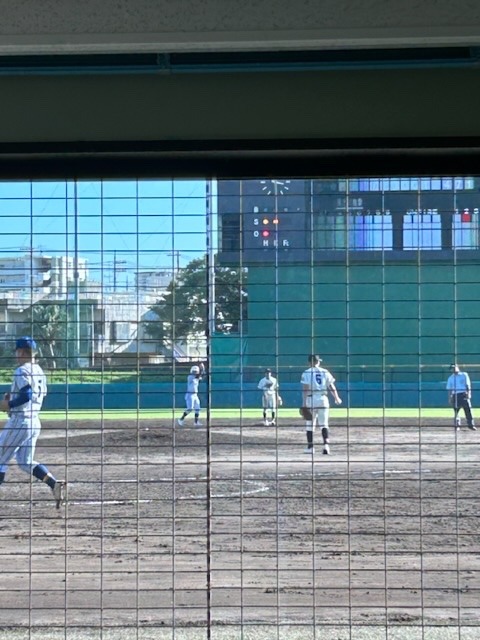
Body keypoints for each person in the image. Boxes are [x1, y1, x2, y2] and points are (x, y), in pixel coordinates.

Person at [0, 337, 65, 509]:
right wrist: (12, 400)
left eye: (17, 351)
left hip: (19, 422)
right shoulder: (39, 371)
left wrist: (10, 404)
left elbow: (26, 395)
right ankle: (53, 483)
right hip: (34, 421)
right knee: (25, 462)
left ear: (21, 352)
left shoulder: (21, 370)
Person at [300, 354, 342, 455]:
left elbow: (305, 389)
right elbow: (331, 386)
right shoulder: (325, 371)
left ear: (309, 362)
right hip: (323, 398)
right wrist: (336, 397)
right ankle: (326, 446)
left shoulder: (306, 372)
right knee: (324, 424)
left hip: (311, 398)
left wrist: (304, 403)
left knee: (310, 424)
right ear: (318, 362)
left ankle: (310, 447)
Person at [446, 363, 476, 431]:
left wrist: (469, 393)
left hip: (463, 394)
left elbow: (468, 384)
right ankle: (457, 426)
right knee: (456, 412)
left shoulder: (464, 375)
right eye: (452, 369)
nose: (453, 370)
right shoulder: (450, 378)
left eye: (454, 368)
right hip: (455, 395)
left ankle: (471, 425)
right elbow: (449, 389)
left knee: (468, 410)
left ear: (457, 367)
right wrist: (450, 398)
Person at [177, 362, 205, 428]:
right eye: (194, 371)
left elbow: (201, 376)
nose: (195, 372)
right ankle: (181, 419)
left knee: (197, 408)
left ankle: (196, 422)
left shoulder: (196, 377)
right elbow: (199, 375)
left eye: (196, 371)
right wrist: (202, 368)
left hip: (195, 395)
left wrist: (202, 369)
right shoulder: (190, 377)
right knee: (190, 409)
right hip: (190, 394)